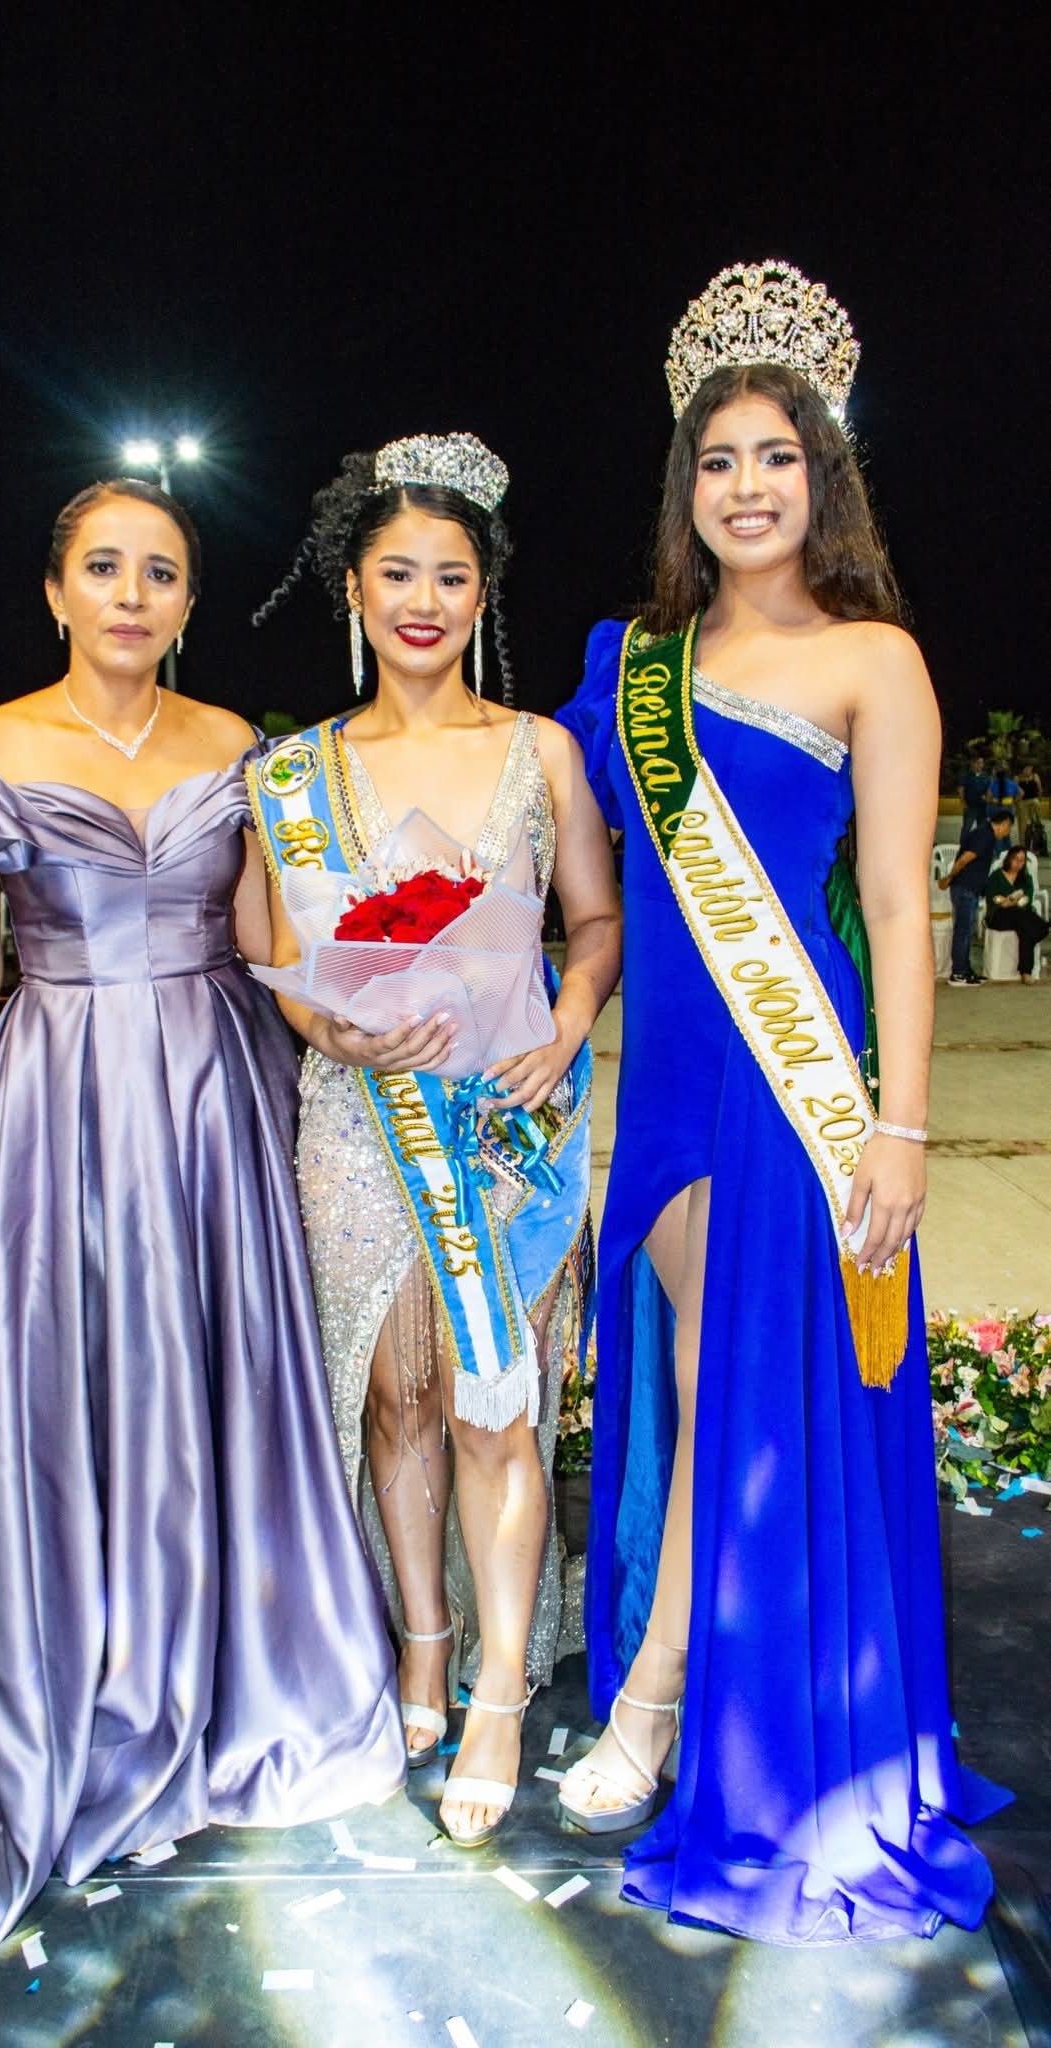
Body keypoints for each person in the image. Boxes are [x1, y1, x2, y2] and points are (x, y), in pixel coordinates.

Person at [0, 476, 403, 1941]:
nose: (130, 594)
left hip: (216, 1094)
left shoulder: (232, 744)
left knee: (220, 1373)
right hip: (58, 1096)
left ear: (186, 601)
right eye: (102, 567)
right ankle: (92, 1676)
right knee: (74, 1381)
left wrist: (370, 1000)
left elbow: (265, 934)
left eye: (159, 572)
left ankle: (230, 1672)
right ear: (55, 591)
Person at [555, 259, 1007, 1942]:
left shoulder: (874, 659)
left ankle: (660, 1697)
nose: (745, 486)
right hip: (668, 1078)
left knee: (735, 1387)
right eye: (718, 459)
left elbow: (896, 906)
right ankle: (682, 1681)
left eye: (776, 458)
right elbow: (556, 848)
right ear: (685, 484)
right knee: (696, 1380)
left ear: (823, 479)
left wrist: (899, 1123)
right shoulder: (629, 666)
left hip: (798, 1081)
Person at [251, 434, 621, 1849]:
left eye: (450, 577)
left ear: (484, 593)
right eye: (396, 573)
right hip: (359, 1123)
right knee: (394, 1398)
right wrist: (329, 1029)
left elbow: (593, 924)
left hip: (510, 1119)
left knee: (491, 1407)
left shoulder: (539, 752)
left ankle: (500, 1693)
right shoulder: (294, 772)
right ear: (351, 588)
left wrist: (566, 1024)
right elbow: (270, 956)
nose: (423, 600)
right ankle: (422, 1637)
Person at [940, 806, 1014, 985]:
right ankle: (958, 972)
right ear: (1004, 824)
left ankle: (965, 969)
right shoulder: (985, 835)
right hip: (965, 888)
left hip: (969, 888)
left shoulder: (984, 833)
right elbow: (965, 858)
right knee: (963, 931)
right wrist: (949, 877)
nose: (1007, 833)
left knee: (967, 930)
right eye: (1009, 828)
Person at [984, 845, 1048, 982]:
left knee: (1026, 929)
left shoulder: (1026, 879)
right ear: (1009, 859)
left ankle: (1026, 972)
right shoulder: (996, 876)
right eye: (1015, 859)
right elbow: (994, 898)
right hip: (998, 915)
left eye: (1022, 860)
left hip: (1019, 915)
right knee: (1032, 924)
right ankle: (1045, 926)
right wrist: (1008, 901)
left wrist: (1011, 901)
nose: (1018, 863)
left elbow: (1026, 900)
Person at [1017, 761, 1045, 856]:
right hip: (1022, 802)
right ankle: (1023, 846)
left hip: (1033, 800)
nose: (1028, 770)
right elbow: (1015, 791)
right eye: (1027, 768)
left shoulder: (1035, 776)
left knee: (1036, 824)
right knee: (1023, 825)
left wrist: (1039, 799)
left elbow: (1040, 789)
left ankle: (1037, 846)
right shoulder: (1017, 778)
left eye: (1030, 768)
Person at [960, 750, 990, 836]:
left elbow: (989, 790)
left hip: (982, 807)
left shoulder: (986, 776)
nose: (980, 765)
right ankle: (963, 843)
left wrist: (987, 799)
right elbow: (961, 789)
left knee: (981, 828)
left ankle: (979, 844)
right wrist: (963, 802)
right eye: (978, 763)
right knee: (966, 828)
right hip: (970, 807)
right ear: (972, 763)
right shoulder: (966, 775)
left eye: (982, 763)